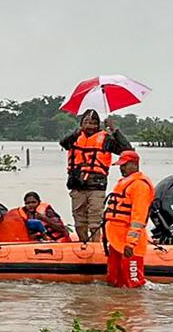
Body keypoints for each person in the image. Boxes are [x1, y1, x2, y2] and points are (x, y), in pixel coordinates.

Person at [60, 109, 132, 242]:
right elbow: (63, 143)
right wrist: (77, 132)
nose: (90, 126)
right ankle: (84, 245)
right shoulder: (74, 138)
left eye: (93, 123)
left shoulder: (106, 139)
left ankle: (96, 247)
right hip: (77, 186)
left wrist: (115, 130)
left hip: (96, 187)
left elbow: (126, 150)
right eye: (87, 122)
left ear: (98, 125)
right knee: (79, 222)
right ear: (81, 124)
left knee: (94, 221)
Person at [103, 150, 154, 288]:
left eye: (124, 165)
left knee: (133, 283)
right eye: (120, 165)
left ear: (134, 165)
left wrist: (131, 243)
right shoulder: (124, 183)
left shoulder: (140, 186)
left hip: (129, 243)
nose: (121, 168)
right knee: (114, 280)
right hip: (116, 240)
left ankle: (135, 308)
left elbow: (139, 217)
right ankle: (119, 305)